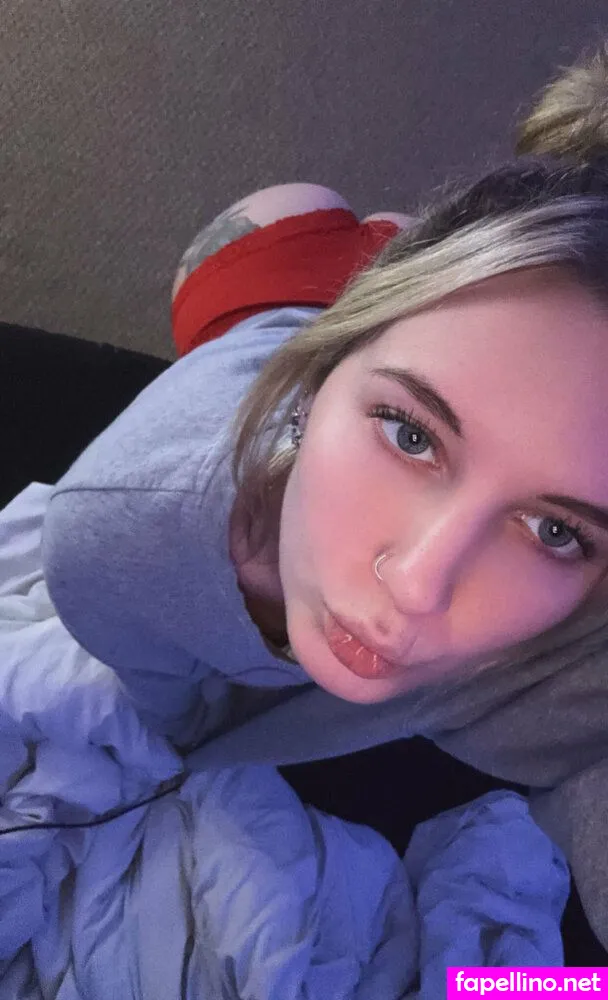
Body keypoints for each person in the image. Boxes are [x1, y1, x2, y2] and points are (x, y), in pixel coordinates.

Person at [3, 39, 608, 978]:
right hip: (293, 336)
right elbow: (164, 708)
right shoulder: (122, 536)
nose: (417, 585)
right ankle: (301, 290)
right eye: (410, 434)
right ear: (325, 372)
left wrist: (536, 986)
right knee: (275, 225)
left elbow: (560, 971)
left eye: (557, 531)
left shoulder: (580, 671)